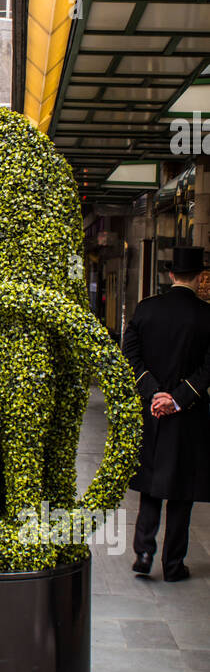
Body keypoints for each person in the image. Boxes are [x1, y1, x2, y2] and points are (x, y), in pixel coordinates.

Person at [123, 245, 210, 582]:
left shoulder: (146, 310)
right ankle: (174, 565)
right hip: (189, 416)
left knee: (151, 483)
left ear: (170, 274)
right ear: (200, 277)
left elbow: (130, 355)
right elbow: (207, 369)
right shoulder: (207, 316)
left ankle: (143, 554)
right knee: (181, 491)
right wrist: (178, 399)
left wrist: (154, 394)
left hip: (152, 413)